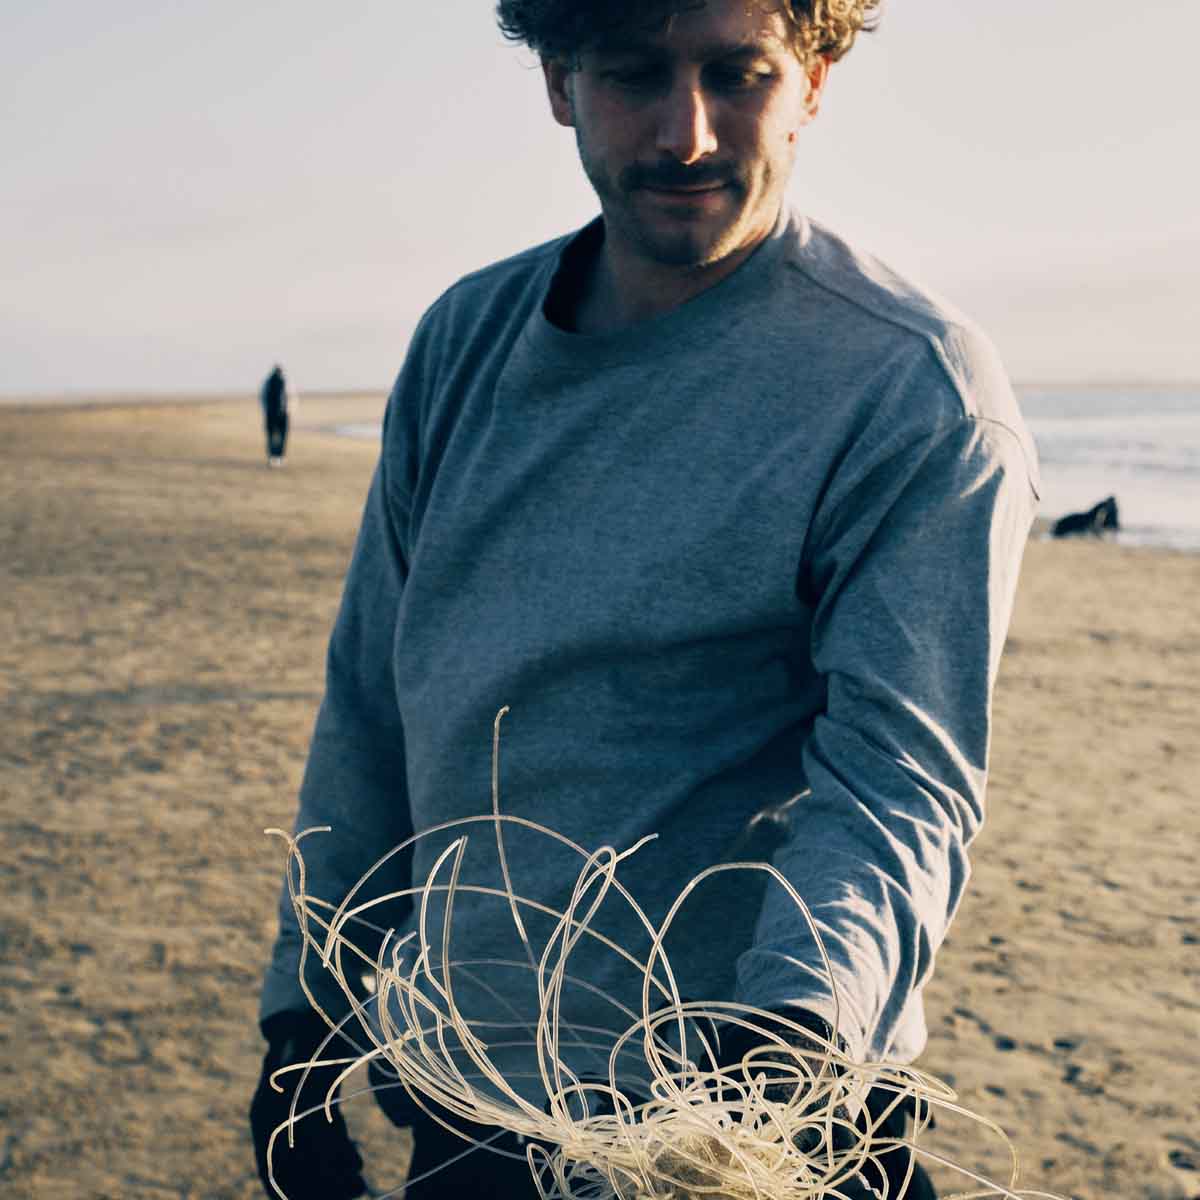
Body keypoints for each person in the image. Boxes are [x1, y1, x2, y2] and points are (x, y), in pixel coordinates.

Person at [250, 2, 1040, 1197]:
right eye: (633, 75)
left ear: (815, 79)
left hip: (766, 1110)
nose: (687, 134)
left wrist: (791, 1043)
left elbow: (899, 778)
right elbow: (374, 703)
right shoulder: (467, 340)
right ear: (560, 82)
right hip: (474, 1091)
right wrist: (304, 1015)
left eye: (739, 74)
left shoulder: (910, 389)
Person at [260, 363, 292, 466]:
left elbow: (262, 397)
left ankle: (273, 457)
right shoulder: (286, 382)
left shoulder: (268, 382)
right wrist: (289, 410)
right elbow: (291, 397)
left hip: (271, 413)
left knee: (272, 436)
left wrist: (266, 410)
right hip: (283, 414)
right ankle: (279, 457)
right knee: (281, 437)